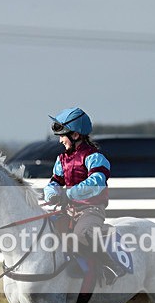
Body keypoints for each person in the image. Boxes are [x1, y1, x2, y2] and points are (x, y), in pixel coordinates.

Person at [42, 107, 125, 284]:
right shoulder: (62, 159)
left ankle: (110, 265)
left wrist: (69, 193)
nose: (60, 141)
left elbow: (96, 182)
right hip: (69, 211)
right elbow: (54, 182)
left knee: (81, 234)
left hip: (91, 210)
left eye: (62, 135)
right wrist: (52, 194)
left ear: (76, 135)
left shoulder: (95, 157)